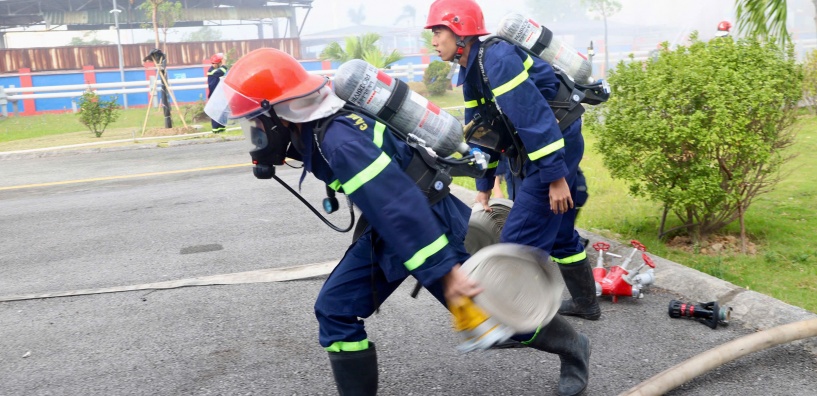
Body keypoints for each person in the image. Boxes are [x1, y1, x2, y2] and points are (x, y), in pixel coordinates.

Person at [205, 47, 591, 396]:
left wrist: (446, 271)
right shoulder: (311, 132)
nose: (254, 135)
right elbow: (388, 207)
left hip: (427, 227)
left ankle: (574, 348)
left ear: (279, 114)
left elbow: (400, 205)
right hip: (393, 231)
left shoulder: (338, 141)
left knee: (493, 317)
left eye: (255, 123)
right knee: (336, 309)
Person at [427, 0, 601, 324]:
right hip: (538, 145)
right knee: (559, 229)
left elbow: (532, 117)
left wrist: (555, 177)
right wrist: (483, 185)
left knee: (518, 239)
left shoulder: (497, 57)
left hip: (554, 141)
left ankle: (513, 322)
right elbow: (481, 128)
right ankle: (586, 304)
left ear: (460, 30)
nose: (434, 41)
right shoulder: (473, 68)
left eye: (439, 32)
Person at [207, 53, 228, 133]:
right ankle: (216, 131)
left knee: (223, 113)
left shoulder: (216, 70)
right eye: (212, 63)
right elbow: (221, 71)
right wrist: (224, 64)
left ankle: (222, 129)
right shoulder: (211, 71)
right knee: (216, 113)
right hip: (214, 96)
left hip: (221, 95)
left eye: (215, 63)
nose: (213, 65)